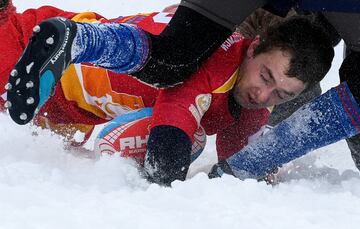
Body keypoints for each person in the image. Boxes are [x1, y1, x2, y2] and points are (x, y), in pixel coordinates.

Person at [3, 1, 334, 185]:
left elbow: (235, 170)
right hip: (26, 52)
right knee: (191, 137)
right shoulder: (215, 61)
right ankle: (74, 41)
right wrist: (167, 193)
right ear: (254, 47)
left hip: (73, 111)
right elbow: (170, 139)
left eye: (282, 96)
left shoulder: (250, 102)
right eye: (265, 76)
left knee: (36, 153)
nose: (263, 95)